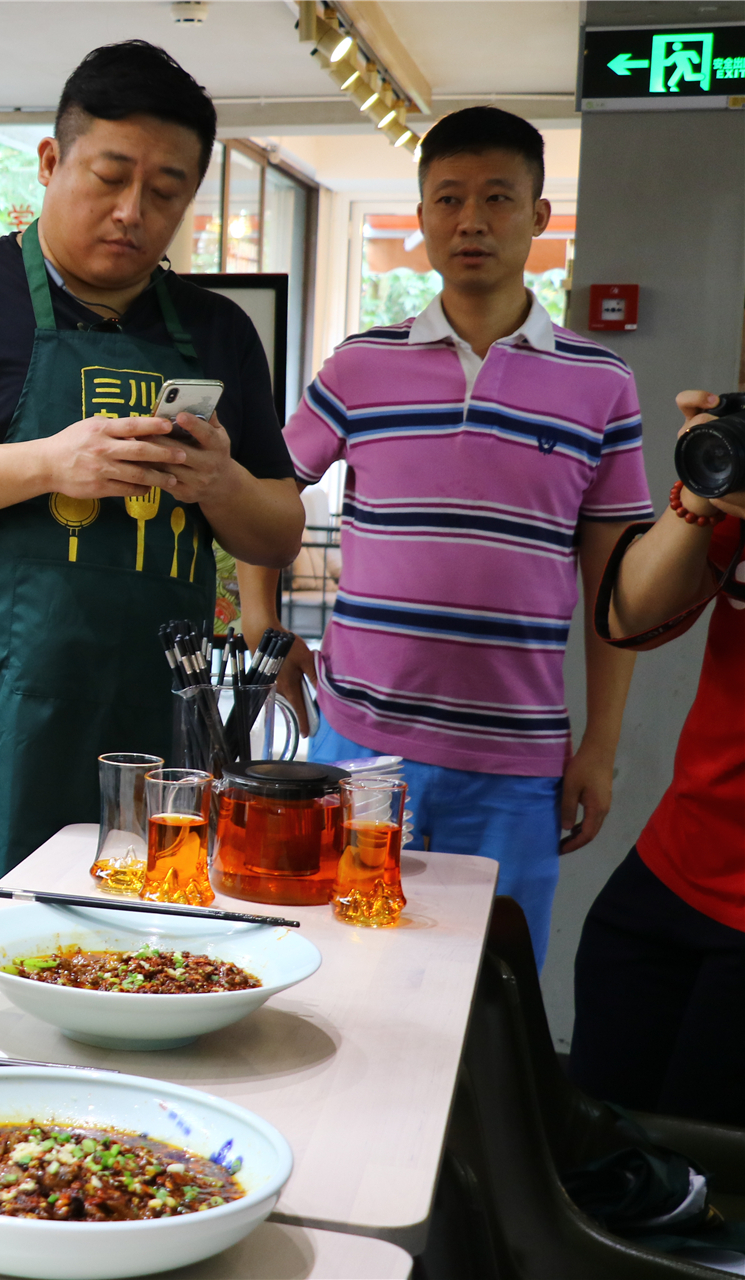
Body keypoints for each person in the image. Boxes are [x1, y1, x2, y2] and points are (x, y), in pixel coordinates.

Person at [0, 41, 304, 975]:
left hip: (149, 746)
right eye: (111, 176)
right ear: (52, 163)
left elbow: (279, 525)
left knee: (121, 997)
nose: (134, 212)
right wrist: (52, 461)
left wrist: (218, 484)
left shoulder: (215, 331)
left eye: (168, 190)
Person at [236, 107, 651, 968]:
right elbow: (264, 490)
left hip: (516, 760)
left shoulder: (602, 383)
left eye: (498, 198)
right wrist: (260, 627)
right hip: (355, 747)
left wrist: (602, 748)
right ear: (421, 217)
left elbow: (617, 583)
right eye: (448, 199)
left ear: (540, 216)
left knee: (489, 997)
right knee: (333, 970)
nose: (471, 220)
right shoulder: (360, 365)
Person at [570, 389, 744, 1125]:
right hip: (677, 866)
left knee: (708, 1187)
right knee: (606, 1149)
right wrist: (705, 490)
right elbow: (631, 618)